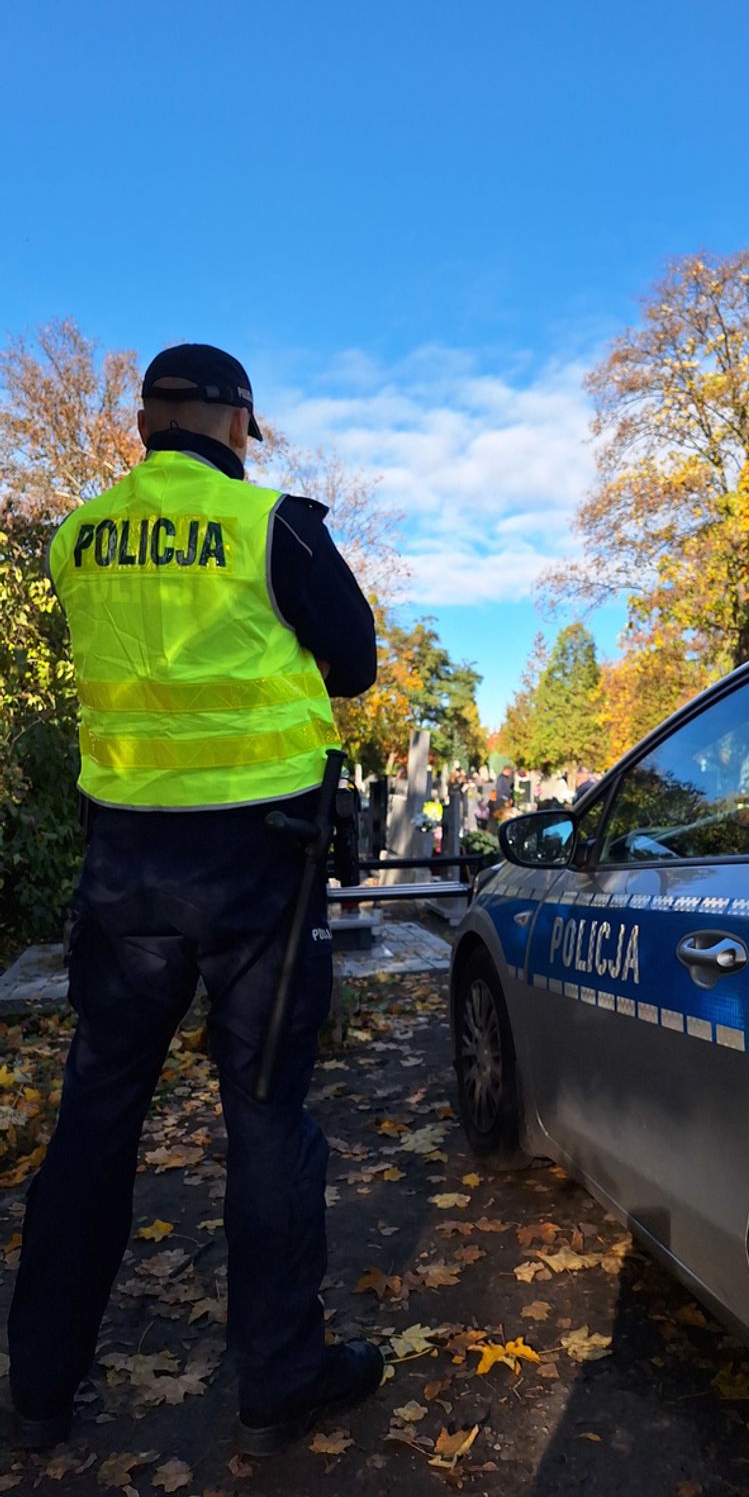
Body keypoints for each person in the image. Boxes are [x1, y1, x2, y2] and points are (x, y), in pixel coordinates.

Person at [7, 345, 382, 1455]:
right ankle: (277, 1378)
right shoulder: (278, 528)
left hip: (125, 863)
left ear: (140, 428)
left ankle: (37, 1386)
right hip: (259, 862)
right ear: (235, 426)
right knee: (264, 1117)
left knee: (94, 1117)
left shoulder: (78, 538)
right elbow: (353, 665)